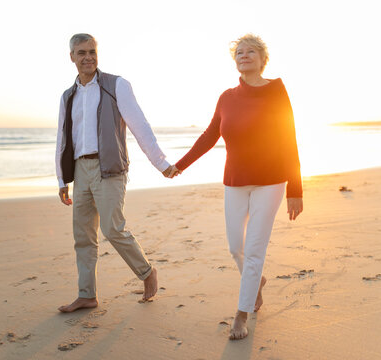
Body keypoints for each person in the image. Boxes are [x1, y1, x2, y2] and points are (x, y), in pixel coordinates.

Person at [169, 34, 303, 339]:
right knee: (235, 247)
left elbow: (289, 138)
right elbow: (208, 136)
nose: (244, 55)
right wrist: (180, 165)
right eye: (240, 52)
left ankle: (241, 316)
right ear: (235, 61)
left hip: (271, 181)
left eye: (251, 51)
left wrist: (296, 190)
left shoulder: (277, 91)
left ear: (262, 59)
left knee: (254, 250)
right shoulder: (226, 97)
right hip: (235, 181)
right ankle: (256, 281)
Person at [55, 33, 179, 313]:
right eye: (81, 52)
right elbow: (62, 138)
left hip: (109, 167)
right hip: (80, 168)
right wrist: (62, 178)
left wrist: (161, 164)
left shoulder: (116, 85)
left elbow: (139, 125)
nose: (88, 57)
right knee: (83, 235)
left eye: (92, 51)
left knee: (112, 228)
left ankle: (146, 272)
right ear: (71, 57)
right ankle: (87, 294)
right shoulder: (68, 96)